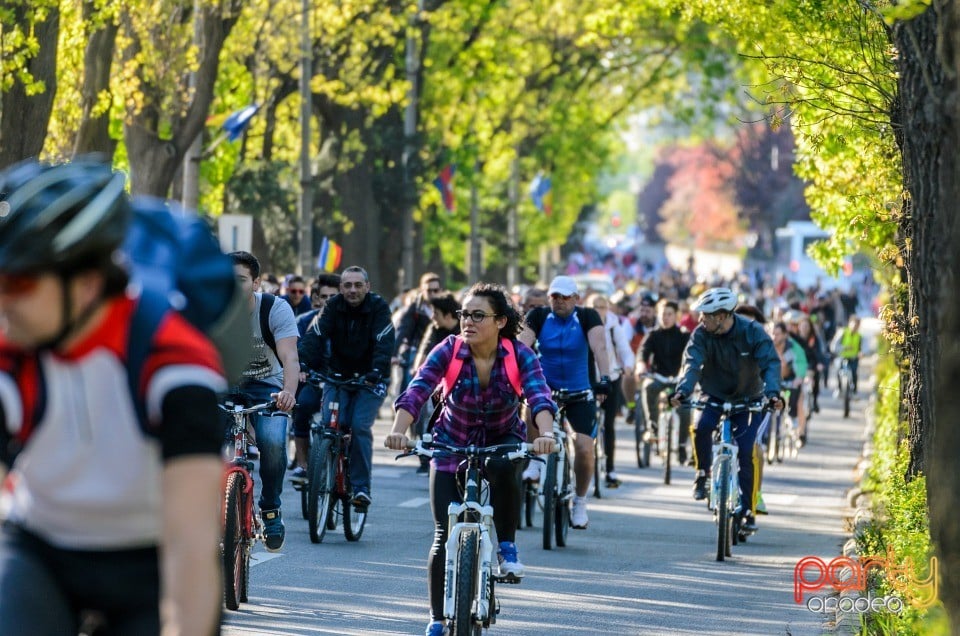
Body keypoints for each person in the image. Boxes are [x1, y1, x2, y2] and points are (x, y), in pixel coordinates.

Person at [0, 159, 225, 634]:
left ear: (85, 285)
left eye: (17, 283)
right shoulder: (11, 350)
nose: (3, 302)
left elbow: (191, 544)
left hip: (151, 562)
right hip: (42, 549)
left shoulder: (174, 360)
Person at [384, 283, 556, 636]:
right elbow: (418, 388)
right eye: (465, 314)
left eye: (478, 315)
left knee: (503, 466)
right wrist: (399, 429)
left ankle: (507, 547)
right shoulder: (448, 349)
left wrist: (546, 435)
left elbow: (539, 396)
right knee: (442, 532)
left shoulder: (519, 355)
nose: (468, 321)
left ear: (500, 321)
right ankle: (435, 617)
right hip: (451, 440)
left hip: (501, 438)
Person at [671, 287, 783, 534]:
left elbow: (771, 364)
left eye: (706, 315)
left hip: (748, 399)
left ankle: (747, 509)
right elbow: (692, 364)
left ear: (721, 316)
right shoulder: (701, 334)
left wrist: (773, 393)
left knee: (746, 452)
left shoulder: (752, 332)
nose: (701, 319)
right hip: (713, 394)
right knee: (701, 427)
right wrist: (683, 390)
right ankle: (702, 473)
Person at [519, 275, 611, 530]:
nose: (558, 301)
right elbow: (522, 347)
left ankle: (580, 501)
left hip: (580, 391)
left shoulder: (587, 316)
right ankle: (536, 460)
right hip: (545, 389)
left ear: (576, 299)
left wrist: (605, 378)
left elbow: (600, 348)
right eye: (554, 297)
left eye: (564, 297)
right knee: (529, 404)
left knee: (583, 448)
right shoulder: (538, 316)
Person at [299, 265, 394, 510]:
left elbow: (385, 342)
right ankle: (324, 472)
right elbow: (316, 336)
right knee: (328, 425)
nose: (353, 290)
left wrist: (376, 371)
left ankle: (361, 488)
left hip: (370, 379)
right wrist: (301, 363)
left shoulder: (378, 307)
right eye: (348, 285)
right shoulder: (332, 307)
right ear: (341, 288)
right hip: (337, 377)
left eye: (358, 285)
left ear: (367, 287)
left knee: (359, 426)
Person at [230, 251, 300, 551]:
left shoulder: (274, 308)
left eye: (240, 280)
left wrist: (288, 392)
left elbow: (290, 357)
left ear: (256, 283)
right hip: (223, 383)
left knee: (272, 441)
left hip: (266, 385)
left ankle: (270, 509)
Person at [290, 272, 341, 481]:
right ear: (317, 299)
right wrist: (301, 368)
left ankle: (346, 470)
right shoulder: (304, 321)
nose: (329, 302)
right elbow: (297, 349)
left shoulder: (350, 322)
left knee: (351, 422)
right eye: (325, 297)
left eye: (334, 297)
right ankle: (302, 463)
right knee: (302, 407)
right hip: (315, 379)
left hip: (342, 383)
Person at [585, 293, 635, 487]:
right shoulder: (582, 324)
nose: (598, 310)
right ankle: (586, 468)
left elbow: (624, 349)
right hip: (588, 379)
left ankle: (611, 469)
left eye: (602, 306)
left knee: (609, 424)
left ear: (608, 309)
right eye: (594, 306)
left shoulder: (614, 326)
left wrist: (629, 365)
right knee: (586, 426)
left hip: (611, 379)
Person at [409, 292, 462, 474]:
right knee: (423, 409)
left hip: (460, 384)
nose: (433, 317)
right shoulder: (434, 329)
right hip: (436, 381)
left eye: (436, 314)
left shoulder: (465, 332)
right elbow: (424, 352)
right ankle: (424, 453)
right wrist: (418, 370)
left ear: (448, 315)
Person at [637, 299, 691, 465]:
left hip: (678, 379)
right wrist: (640, 367)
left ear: (676, 316)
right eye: (663, 314)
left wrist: (688, 373)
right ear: (657, 315)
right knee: (647, 387)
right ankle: (652, 428)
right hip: (658, 377)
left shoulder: (684, 335)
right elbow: (642, 354)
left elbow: (691, 357)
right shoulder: (653, 335)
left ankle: (682, 445)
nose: (666, 318)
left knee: (684, 408)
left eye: (669, 314)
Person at [393, 272, 443, 394]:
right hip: (417, 352)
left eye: (435, 290)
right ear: (422, 290)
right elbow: (403, 330)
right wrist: (394, 353)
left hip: (440, 351)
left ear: (440, 290)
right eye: (428, 290)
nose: (432, 294)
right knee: (413, 389)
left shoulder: (446, 307)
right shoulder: (415, 308)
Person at [832, 315, 863, 393]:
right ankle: (838, 388)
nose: (854, 327)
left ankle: (854, 391)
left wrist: (861, 353)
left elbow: (862, 348)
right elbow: (834, 346)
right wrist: (844, 347)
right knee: (838, 371)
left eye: (856, 325)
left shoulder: (859, 336)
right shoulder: (843, 332)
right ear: (849, 323)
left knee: (854, 373)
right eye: (853, 324)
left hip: (853, 358)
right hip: (842, 357)